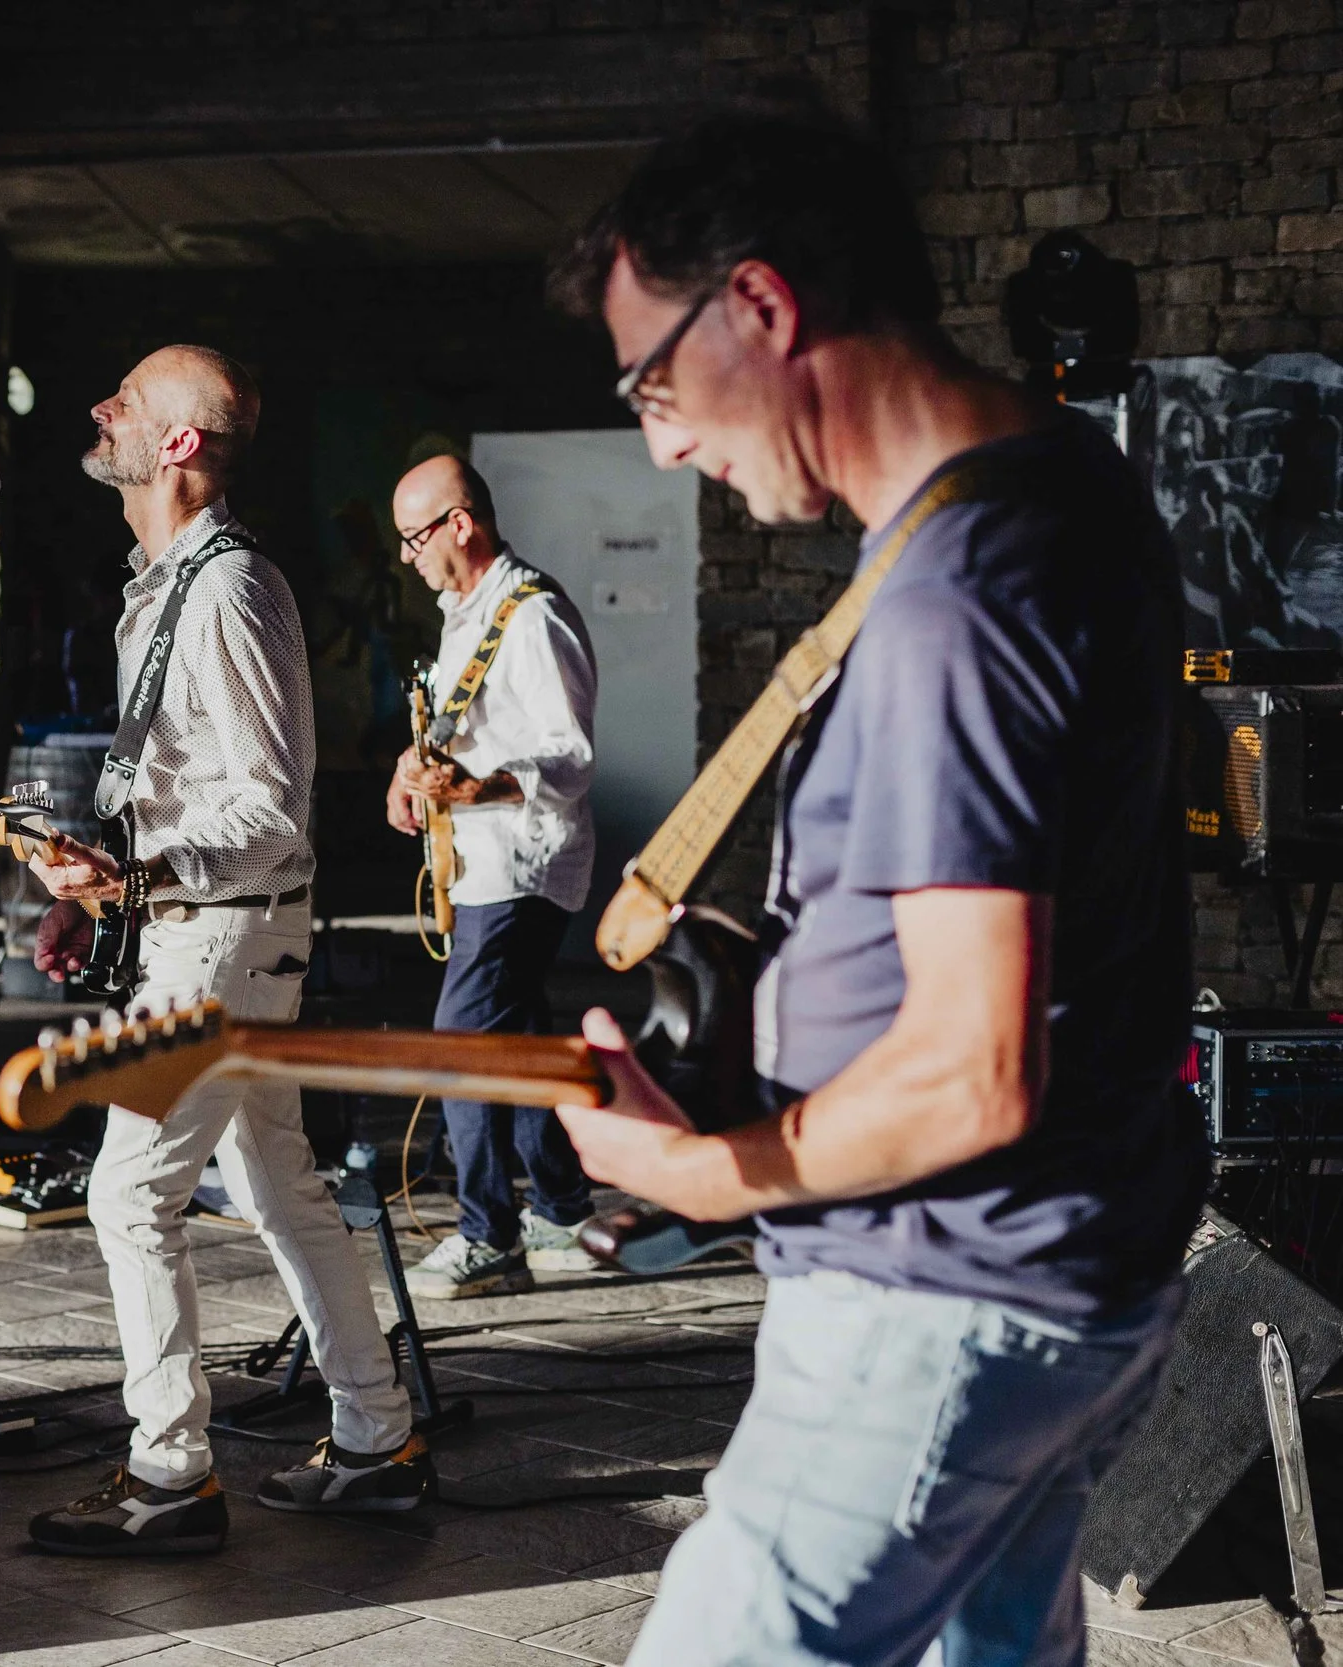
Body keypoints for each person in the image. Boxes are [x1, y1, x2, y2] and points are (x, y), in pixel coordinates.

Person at [546, 110, 1207, 1667]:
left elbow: (972, 1071)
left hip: (940, 1300)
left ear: (763, 306)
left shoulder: (952, 597)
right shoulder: (1054, 490)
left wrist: (701, 1177)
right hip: (1062, 1274)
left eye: (653, 382)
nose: (663, 442)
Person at [22, 345, 428, 1554]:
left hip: (223, 941)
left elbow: (270, 807)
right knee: (274, 1183)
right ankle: (376, 1437)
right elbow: (187, 795)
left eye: (129, 402)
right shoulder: (161, 584)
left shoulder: (232, 588)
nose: (101, 408)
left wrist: (139, 878)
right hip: (195, 930)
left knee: (126, 1189)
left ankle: (168, 1476)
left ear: (182, 447)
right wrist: (97, 894)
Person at [383, 455, 602, 1298]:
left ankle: (488, 1231)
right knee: (511, 1039)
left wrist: (480, 787)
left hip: (524, 864)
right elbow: (466, 725)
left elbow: (572, 757)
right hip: (479, 864)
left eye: (413, 537)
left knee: (461, 1042)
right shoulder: (466, 614)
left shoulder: (535, 616)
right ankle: (562, 1208)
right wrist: (415, 772)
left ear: (459, 525)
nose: (406, 556)